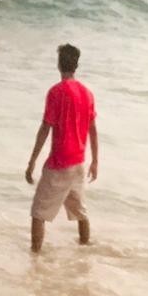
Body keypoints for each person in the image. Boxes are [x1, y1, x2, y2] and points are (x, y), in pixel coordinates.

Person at [24, 43, 98, 254]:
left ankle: (35, 256)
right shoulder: (87, 93)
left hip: (59, 163)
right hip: (78, 163)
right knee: (81, 212)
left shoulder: (56, 92)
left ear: (59, 64)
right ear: (76, 65)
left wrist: (32, 162)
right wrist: (95, 161)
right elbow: (93, 129)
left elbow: (45, 128)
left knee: (38, 213)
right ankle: (85, 251)